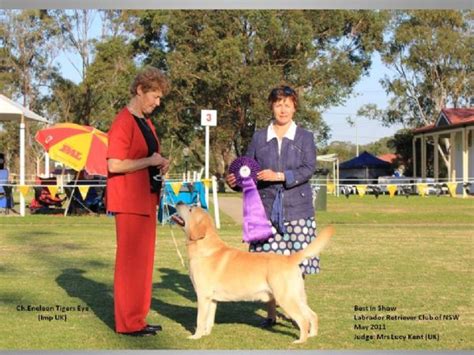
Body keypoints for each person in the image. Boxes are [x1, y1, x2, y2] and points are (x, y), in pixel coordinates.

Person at [226, 85, 319, 328]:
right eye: (278, 104)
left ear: (295, 107)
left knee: (297, 265)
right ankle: (271, 314)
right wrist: (235, 181)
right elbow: (248, 171)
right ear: (271, 106)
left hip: (297, 209)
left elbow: (308, 168)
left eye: (287, 104)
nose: (283, 109)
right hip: (264, 211)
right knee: (265, 264)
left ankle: (295, 307)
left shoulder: (305, 137)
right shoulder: (258, 137)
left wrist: (280, 176)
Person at [106, 67, 170, 337]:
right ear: (140, 90)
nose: (158, 103)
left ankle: (138, 319)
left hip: (146, 200)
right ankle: (127, 323)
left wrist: (160, 164)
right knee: (130, 264)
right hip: (129, 202)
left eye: (160, 98)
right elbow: (115, 164)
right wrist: (149, 161)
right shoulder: (123, 121)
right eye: (154, 96)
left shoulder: (146, 122)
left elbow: (149, 156)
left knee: (144, 265)